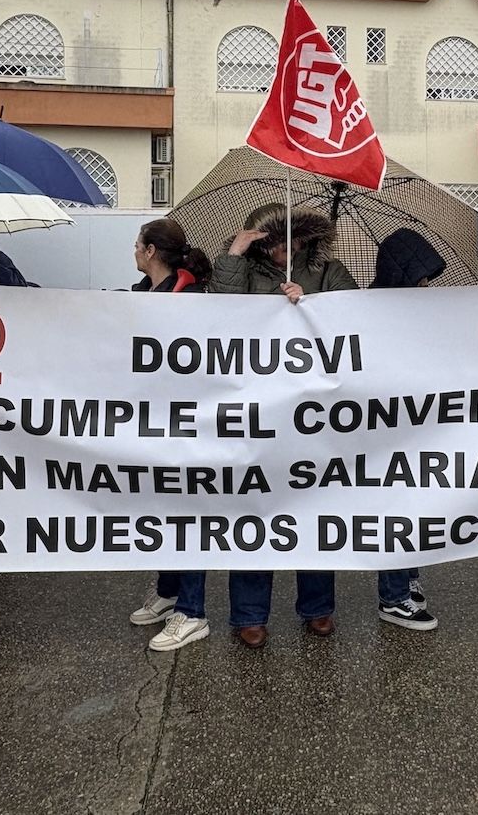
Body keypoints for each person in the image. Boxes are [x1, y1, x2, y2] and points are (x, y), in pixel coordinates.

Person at [210, 203, 358, 648]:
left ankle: (318, 608)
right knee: (254, 513)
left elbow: (357, 317)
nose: (281, 248)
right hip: (256, 415)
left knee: (312, 512)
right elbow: (215, 312)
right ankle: (249, 614)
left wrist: (313, 307)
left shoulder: (328, 270)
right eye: (270, 239)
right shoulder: (245, 268)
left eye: (289, 239)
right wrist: (235, 254)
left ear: (305, 238)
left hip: (313, 417)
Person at [123, 218, 216, 653]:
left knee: (190, 515)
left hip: (188, 427)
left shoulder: (192, 299)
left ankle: (193, 612)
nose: (134, 250)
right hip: (152, 423)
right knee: (163, 510)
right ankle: (169, 590)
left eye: (138, 244)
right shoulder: (142, 294)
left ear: (152, 252)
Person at [369, 227, 446, 631]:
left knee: (410, 508)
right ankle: (393, 596)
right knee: (394, 511)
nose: (426, 286)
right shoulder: (369, 311)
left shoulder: (409, 310)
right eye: (419, 278)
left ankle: (406, 579)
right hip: (385, 432)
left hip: (412, 427)